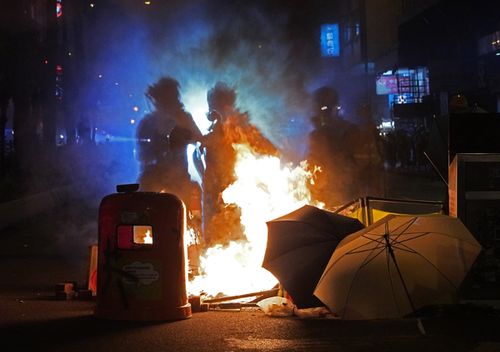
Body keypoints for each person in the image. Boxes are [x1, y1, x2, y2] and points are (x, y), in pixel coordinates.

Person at [202, 82, 278, 246]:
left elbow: (272, 152)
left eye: (218, 105)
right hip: (214, 200)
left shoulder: (242, 129)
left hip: (238, 199)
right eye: (213, 106)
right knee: (215, 245)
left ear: (228, 104)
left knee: (239, 244)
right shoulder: (211, 134)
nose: (215, 110)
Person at [136, 77, 202, 204]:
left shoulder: (183, 119)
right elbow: (142, 156)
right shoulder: (148, 122)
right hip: (154, 177)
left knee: (180, 212)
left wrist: (185, 134)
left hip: (178, 178)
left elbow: (198, 140)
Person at [306, 86, 358, 208]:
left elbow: (357, 163)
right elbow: (313, 159)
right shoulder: (316, 135)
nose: (323, 113)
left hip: (345, 190)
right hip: (326, 190)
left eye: (325, 108)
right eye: (320, 108)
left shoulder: (349, 131)